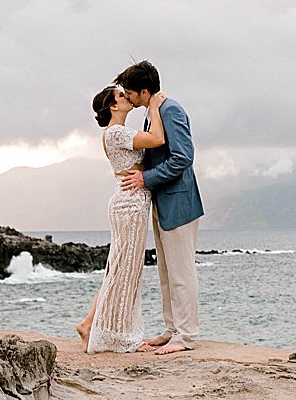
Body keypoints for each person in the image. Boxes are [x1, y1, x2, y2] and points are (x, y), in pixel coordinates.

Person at [115, 61, 204, 354]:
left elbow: (183, 158)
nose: (127, 98)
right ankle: (172, 328)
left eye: (130, 93)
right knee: (166, 271)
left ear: (144, 91)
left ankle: (186, 336)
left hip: (178, 201)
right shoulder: (153, 113)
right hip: (161, 201)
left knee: (181, 272)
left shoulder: (171, 110)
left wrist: (145, 178)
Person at [76, 85, 168, 353]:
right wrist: (154, 106)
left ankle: (89, 323)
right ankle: (122, 335)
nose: (126, 97)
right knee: (125, 268)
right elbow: (157, 139)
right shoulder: (116, 133)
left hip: (129, 200)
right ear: (113, 106)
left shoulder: (118, 133)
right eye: (120, 95)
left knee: (118, 266)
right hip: (129, 203)